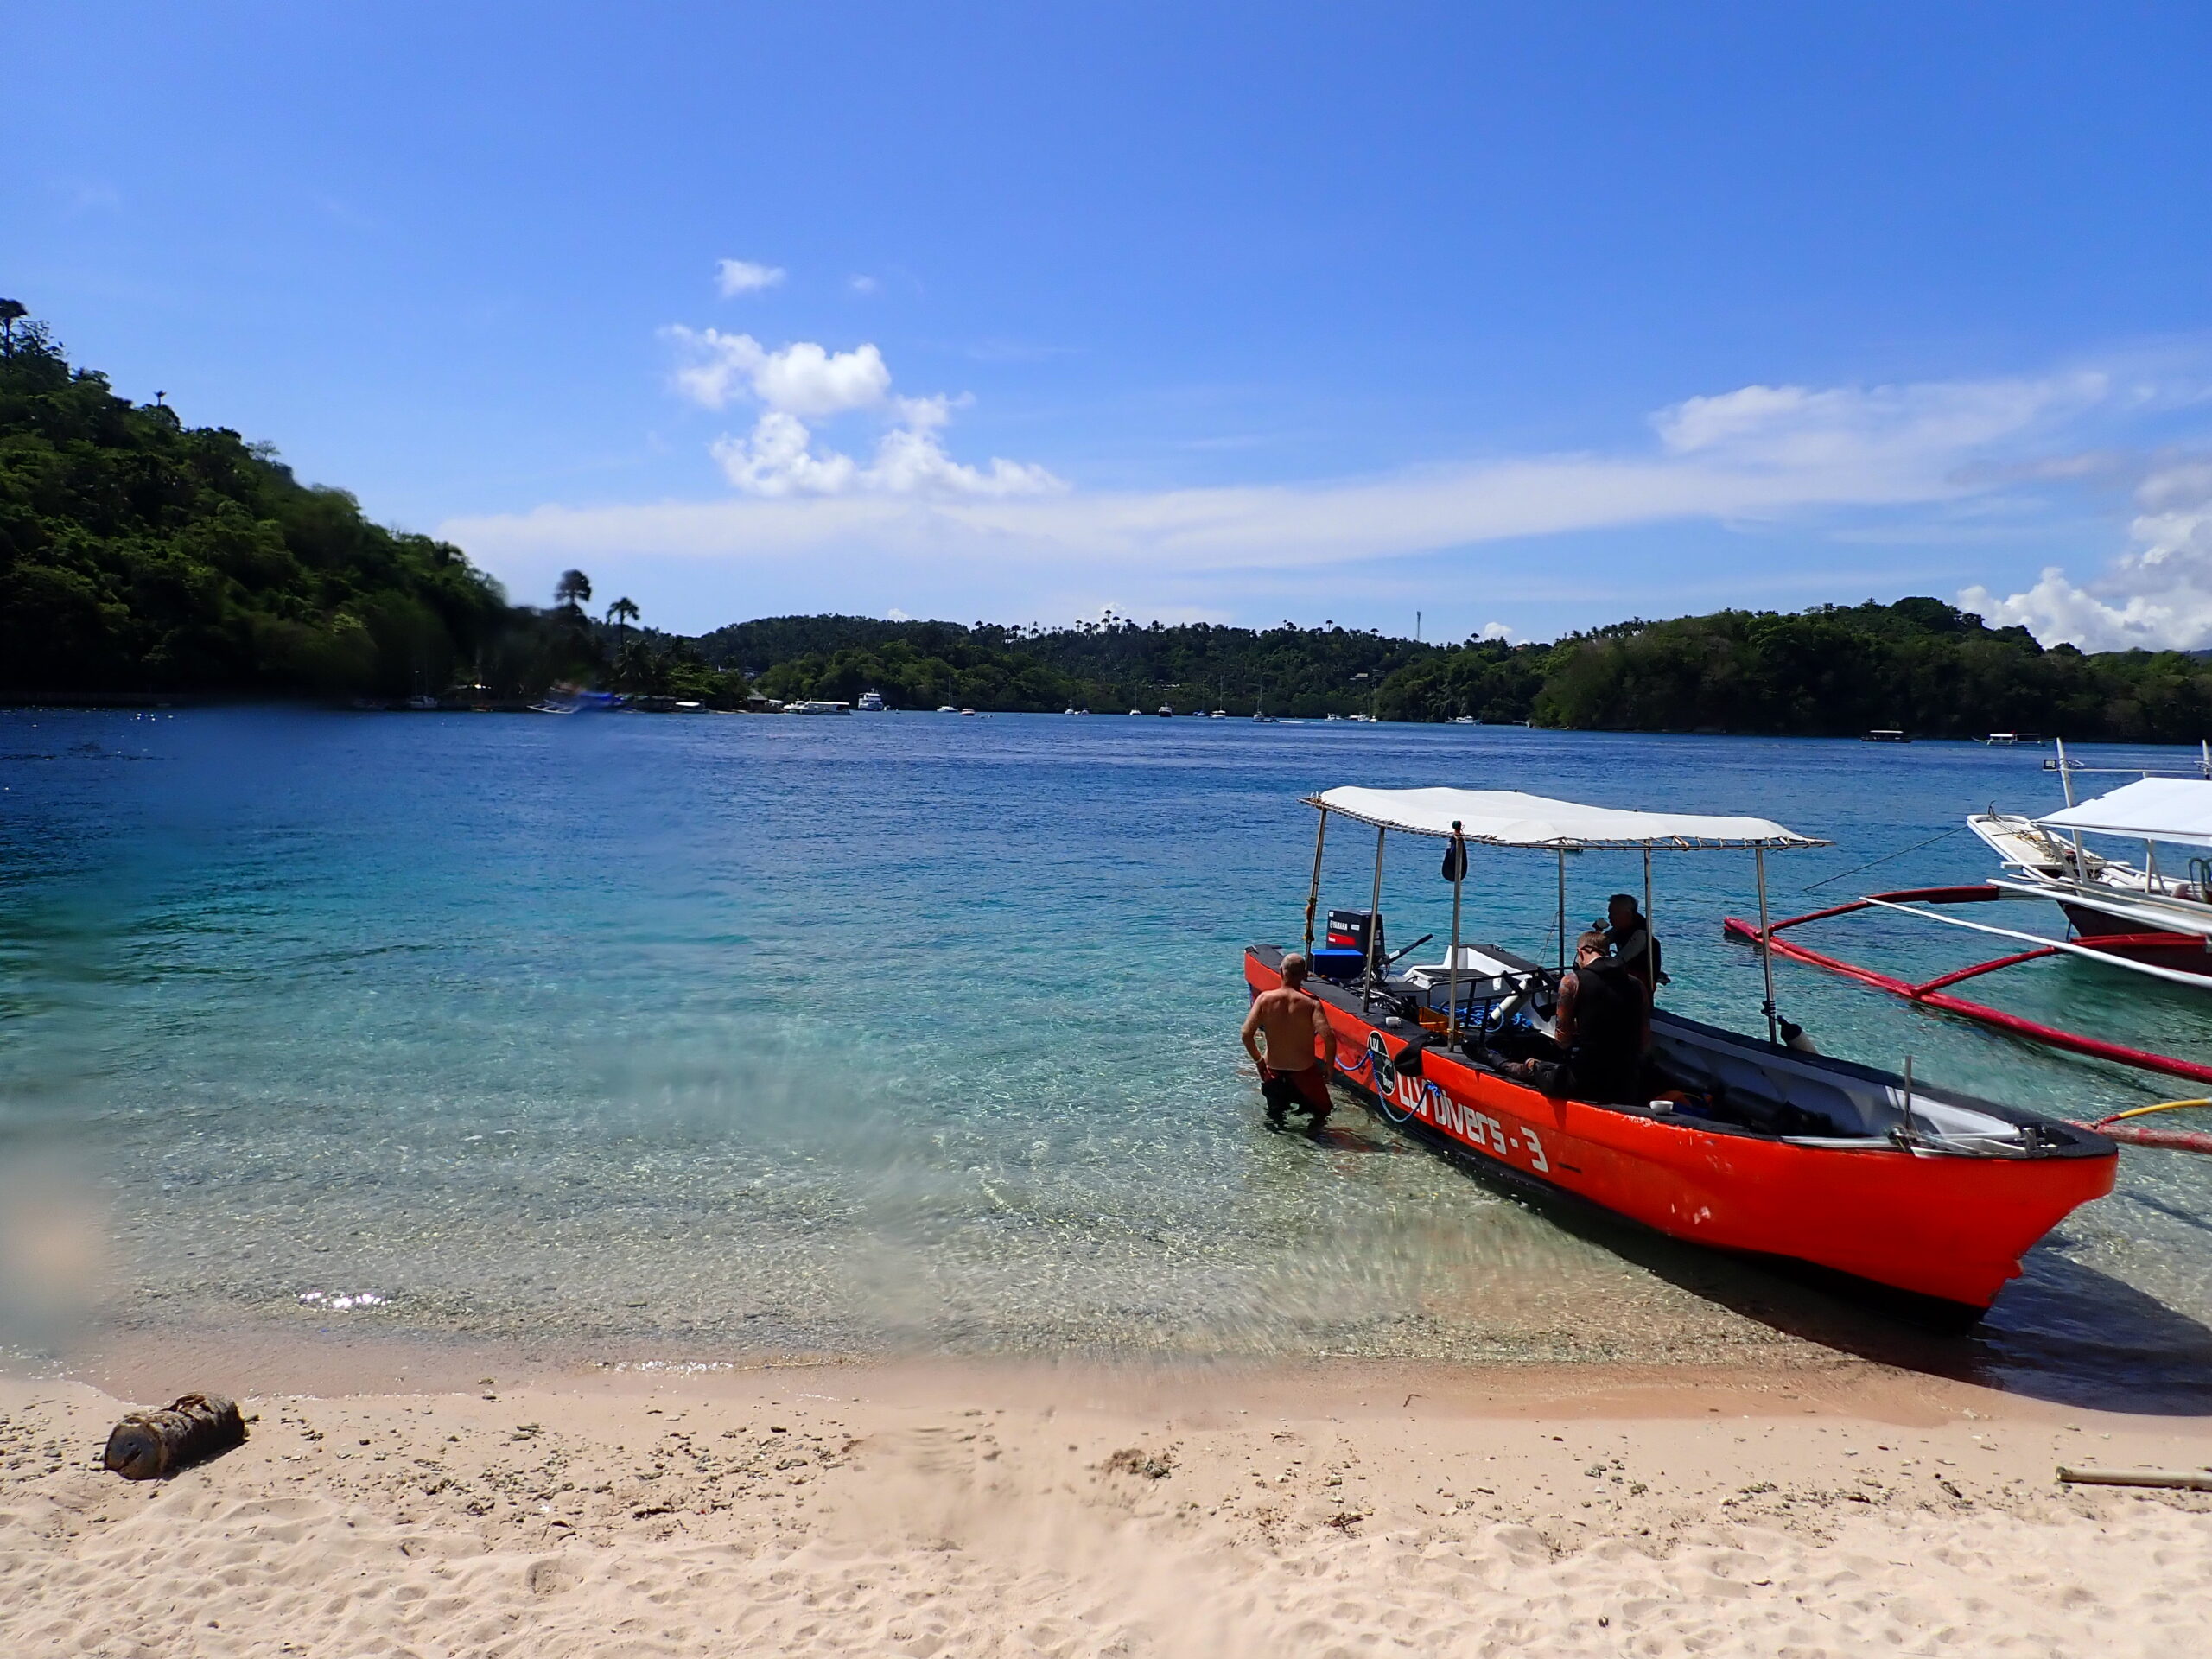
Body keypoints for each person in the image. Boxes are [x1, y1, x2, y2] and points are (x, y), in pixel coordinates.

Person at [1500, 931, 1649, 1102]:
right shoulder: (1638, 985)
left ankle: (1505, 1062)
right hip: (1627, 1080)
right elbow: (1645, 1043)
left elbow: (1562, 1041)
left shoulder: (1572, 982)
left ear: (1581, 952)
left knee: (1535, 1066)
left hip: (1586, 1080)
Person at [1241, 953, 1339, 1128]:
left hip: (1274, 1072)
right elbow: (1329, 1038)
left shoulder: (1264, 999)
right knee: (1322, 1112)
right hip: (1304, 1073)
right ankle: (1313, 1143)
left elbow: (1246, 1034)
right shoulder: (1311, 1003)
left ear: (1281, 971)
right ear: (1305, 975)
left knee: (1276, 1117)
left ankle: (1275, 1152)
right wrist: (1329, 1067)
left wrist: (1258, 1060)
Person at [1601, 893, 1666, 992]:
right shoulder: (1621, 928)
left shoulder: (1640, 935)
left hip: (1638, 987)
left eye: (1613, 913)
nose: (1609, 917)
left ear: (1627, 914)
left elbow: (1618, 961)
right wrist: (1596, 933)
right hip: (1626, 981)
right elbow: (1600, 941)